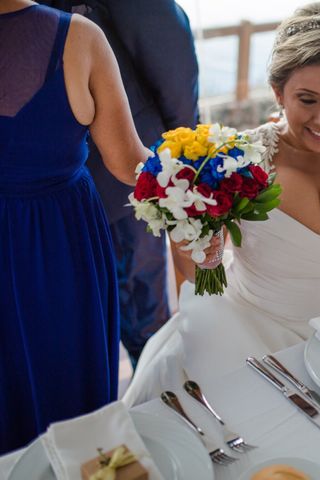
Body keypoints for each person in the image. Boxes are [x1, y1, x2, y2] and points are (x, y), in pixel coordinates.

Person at [123, 1, 320, 405]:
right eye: (307, 99)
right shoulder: (237, 161)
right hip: (242, 336)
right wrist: (199, 253)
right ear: (278, 93)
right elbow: (201, 277)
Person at [0, 0, 150, 452]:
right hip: (60, 244)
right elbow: (129, 164)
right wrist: (208, 175)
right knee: (67, 375)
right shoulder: (80, 39)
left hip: (52, 236)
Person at [39, 0, 200, 367]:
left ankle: (159, 400)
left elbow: (165, 47)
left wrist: (181, 148)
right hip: (48, 185)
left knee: (142, 314)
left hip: (120, 171)